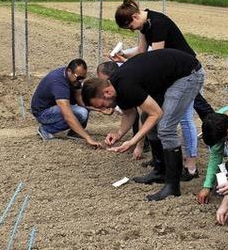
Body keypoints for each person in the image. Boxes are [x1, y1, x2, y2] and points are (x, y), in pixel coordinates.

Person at [81, 48, 205, 201]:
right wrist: (119, 134)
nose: (103, 109)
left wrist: (133, 141)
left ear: (107, 92)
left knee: (166, 127)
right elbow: (129, 113)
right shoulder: (116, 88)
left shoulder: (126, 85)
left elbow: (157, 114)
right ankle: (160, 172)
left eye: (101, 105)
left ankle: (173, 186)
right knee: (147, 117)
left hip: (188, 74)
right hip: (170, 77)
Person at [112, 0, 214, 179]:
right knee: (158, 118)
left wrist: (129, 66)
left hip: (185, 72)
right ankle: (161, 160)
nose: (132, 30)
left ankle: (191, 167)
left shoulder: (158, 24)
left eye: (130, 27)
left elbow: (155, 58)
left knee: (184, 119)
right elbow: (142, 52)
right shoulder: (145, 24)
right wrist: (124, 54)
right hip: (169, 75)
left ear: (135, 17)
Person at [30, 58, 101, 148]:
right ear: (69, 71)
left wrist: (98, 109)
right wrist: (88, 138)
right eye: (79, 78)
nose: (81, 81)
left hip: (55, 108)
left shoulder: (74, 79)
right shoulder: (58, 83)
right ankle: (46, 130)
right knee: (81, 113)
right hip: (43, 113)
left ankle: (74, 132)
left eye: (83, 78)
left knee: (84, 110)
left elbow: (80, 100)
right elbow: (68, 115)